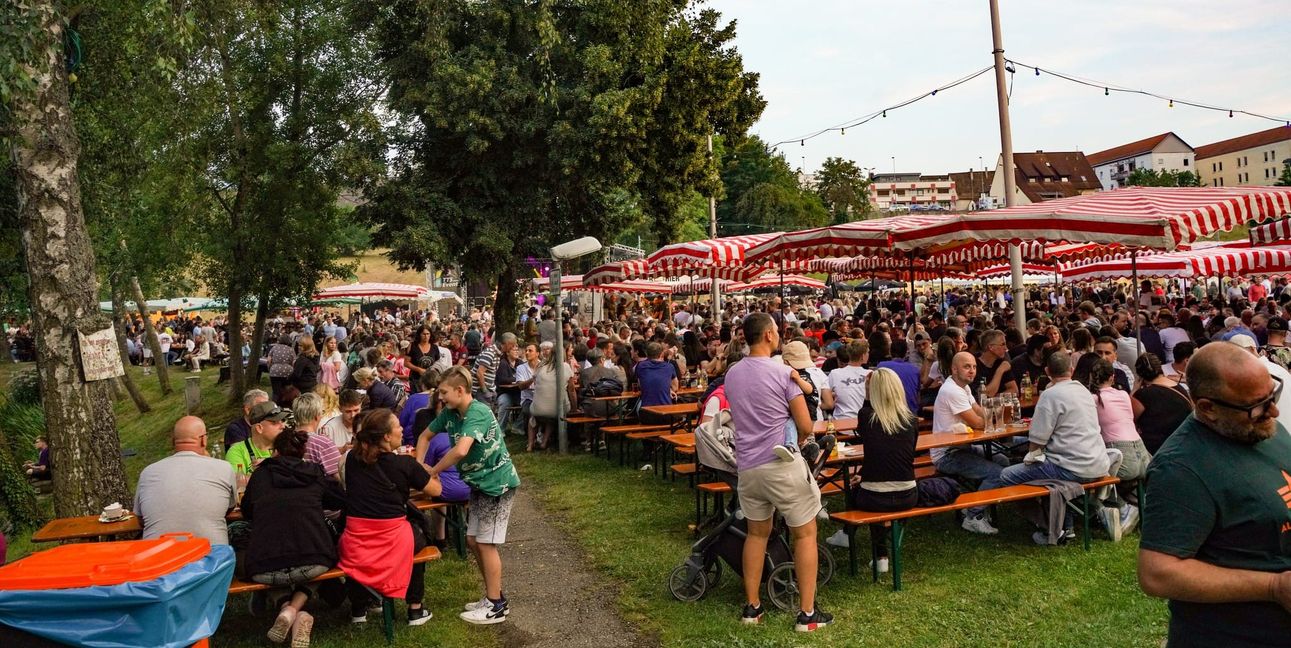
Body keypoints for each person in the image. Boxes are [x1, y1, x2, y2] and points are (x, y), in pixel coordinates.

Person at [1137, 342, 1291, 647]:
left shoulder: (1264, 429)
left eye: (1272, 395)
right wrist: (1273, 586)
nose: (1273, 411)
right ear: (1208, 408)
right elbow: (1157, 573)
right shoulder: (1182, 468)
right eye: (1257, 406)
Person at [722, 312, 831, 632]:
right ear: (769, 335)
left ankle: (752, 608)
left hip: (748, 465)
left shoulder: (732, 374)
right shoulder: (783, 373)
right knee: (805, 533)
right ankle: (807, 614)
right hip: (780, 463)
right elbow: (806, 425)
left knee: (757, 534)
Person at [418, 367, 522, 625]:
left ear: (460, 390)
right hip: (478, 485)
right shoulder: (451, 413)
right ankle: (493, 596)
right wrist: (419, 466)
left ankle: (496, 606)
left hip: (496, 485)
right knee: (473, 540)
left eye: (444, 392)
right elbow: (424, 436)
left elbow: (461, 450)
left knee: (485, 543)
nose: (440, 397)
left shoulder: (478, 412)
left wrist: (434, 470)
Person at [978, 352, 1112, 545]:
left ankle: (1049, 527)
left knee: (1007, 475)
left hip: (1071, 468)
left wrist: (1031, 456)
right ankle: (1065, 524)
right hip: (1098, 463)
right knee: (1042, 475)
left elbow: (1037, 442)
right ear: (1071, 370)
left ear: (1047, 371)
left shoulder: (1050, 395)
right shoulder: (1083, 391)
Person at [240, 428, 346, 647]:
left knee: (262, 561)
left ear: (275, 451)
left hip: (265, 568)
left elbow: (247, 511)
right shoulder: (314, 473)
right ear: (302, 452)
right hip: (314, 563)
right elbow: (339, 500)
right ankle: (295, 610)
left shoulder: (260, 475)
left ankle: (286, 609)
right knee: (326, 556)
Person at [338, 408, 441, 627]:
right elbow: (436, 490)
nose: (402, 429)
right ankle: (415, 608)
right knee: (419, 539)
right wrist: (427, 472)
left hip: (356, 541)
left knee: (361, 557)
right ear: (386, 436)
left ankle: (359, 610)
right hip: (392, 541)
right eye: (398, 426)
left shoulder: (352, 460)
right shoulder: (405, 464)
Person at [827, 368, 921, 571]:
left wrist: (869, 395)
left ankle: (877, 554)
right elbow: (901, 456)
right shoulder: (912, 420)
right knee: (871, 488)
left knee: (860, 491)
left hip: (874, 497)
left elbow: (873, 444)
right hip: (908, 494)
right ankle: (872, 548)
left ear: (873, 391)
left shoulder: (866, 416)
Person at [134, 416, 238, 544]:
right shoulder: (224, 468)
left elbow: (141, 519)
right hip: (210, 553)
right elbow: (229, 507)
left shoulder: (148, 472)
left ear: (173, 441)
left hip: (158, 553)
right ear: (203, 440)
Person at [1083, 358, 1148, 540]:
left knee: (1091, 476)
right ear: (1112, 377)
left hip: (1121, 455)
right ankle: (1136, 508)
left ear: (1091, 377)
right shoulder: (1124, 395)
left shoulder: (1093, 399)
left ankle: (1122, 508)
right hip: (1142, 454)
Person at [1132, 354, 1194, 455]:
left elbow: (1128, 418)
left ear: (1140, 376)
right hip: (1181, 444)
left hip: (1155, 449)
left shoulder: (1143, 395)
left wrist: (1134, 389)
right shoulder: (1181, 389)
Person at [227, 401, 290, 475]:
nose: (283, 426)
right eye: (275, 422)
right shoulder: (237, 452)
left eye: (282, 420)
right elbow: (239, 481)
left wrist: (270, 464)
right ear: (259, 428)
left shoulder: (289, 445)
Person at [293, 392, 343, 479]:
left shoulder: (286, 439)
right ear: (316, 416)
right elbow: (338, 476)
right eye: (321, 412)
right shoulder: (323, 443)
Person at [636, 342, 679, 424]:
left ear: (647, 353)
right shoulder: (669, 367)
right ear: (661, 354)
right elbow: (675, 388)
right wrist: (668, 389)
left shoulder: (640, 366)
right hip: (666, 413)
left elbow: (641, 385)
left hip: (647, 414)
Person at [828, 339, 870, 420]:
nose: (868, 354)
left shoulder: (834, 373)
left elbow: (825, 395)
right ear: (862, 356)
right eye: (867, 352)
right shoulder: (871, 374)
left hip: (841, 420)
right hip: (864, 420)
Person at [975, 330, 1018, 398]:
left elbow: (1014, 390)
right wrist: (1000, 371)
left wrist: (996, 398)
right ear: (991, 347)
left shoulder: (1001, 362)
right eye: (1002, 344)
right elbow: (987, 395)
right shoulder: (974, 365)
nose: (1006, 348)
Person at [268, 335, 297, 402]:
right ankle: (285, 403)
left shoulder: (274, 348)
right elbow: (294, 362)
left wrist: (270, 368)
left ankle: (275, 404)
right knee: (286, 390)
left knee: (275, 391)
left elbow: (269, 360)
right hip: (288, 371)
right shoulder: (291, 349)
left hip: (275, 371)